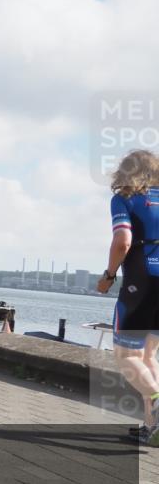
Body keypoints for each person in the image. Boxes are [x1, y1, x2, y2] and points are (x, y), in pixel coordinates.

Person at [97, 149, 159, 446]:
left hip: (142, 283)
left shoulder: (124, 198)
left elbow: (122, 241)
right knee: (148, 356)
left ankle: (157, 406)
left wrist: (109, 276)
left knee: (126, 357)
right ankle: (151, 426)